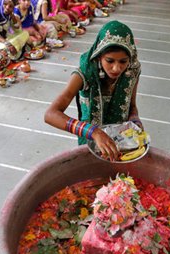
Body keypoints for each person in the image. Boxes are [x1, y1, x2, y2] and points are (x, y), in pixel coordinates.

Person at [44, 21, 142, 161]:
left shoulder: (132, 71)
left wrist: (135, 121)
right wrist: (94, 132)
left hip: (121, 142)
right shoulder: (84, 74)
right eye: (110, 61)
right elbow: (50, 114)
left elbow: (132, 106)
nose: (116, 68)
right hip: (90, 141)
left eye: (123, 61)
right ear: (99, 56)